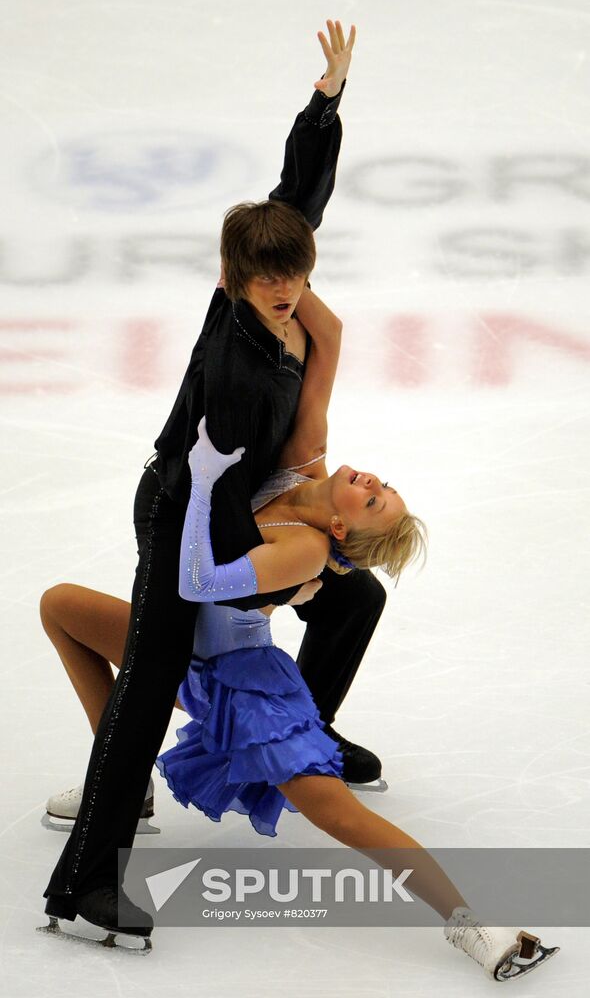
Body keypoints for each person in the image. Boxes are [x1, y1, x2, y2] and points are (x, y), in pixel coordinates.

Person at [38, 290, 558, 981]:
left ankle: (475, 926)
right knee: (60, 608)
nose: (371, 479)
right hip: (182, 648)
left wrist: (203, 483)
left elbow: (199, 582)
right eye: (382, 484)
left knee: (336, 816)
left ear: (342, 529)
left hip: (242, 685)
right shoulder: (305, 460)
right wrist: (262, 280)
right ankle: (124, 789)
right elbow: (331, 337)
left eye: (372, 499)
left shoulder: (306, 550)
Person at [42, 20, 391, 941]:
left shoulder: (281, 288)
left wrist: (326, 102)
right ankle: (86, 883)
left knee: (353, 597)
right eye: (269, 282)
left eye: (294, 278)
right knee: (150, 683)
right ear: (233, 281)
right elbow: (217, 502)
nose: (286, 293)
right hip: (184, 512)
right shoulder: (237, 367)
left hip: (235, 505)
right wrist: (259, 580)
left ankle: (306, 727)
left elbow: (296, 199)